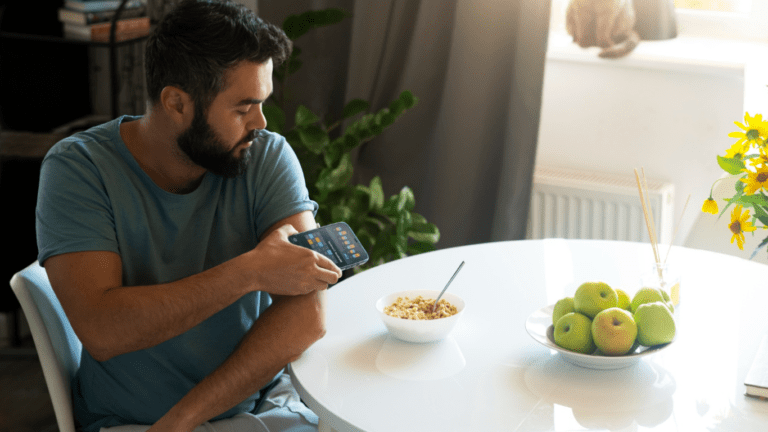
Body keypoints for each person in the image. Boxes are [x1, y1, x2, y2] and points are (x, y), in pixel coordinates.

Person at [35, 1, 342, 431]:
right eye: (242, 107)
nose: (261, 121)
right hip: (130, 422)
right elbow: (102, 330)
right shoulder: (79, 169)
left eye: (262, 102)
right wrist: (249, 272)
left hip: (252, 411)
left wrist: (182, 422)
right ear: (177, 103)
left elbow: (306, 315)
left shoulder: (266, 155)